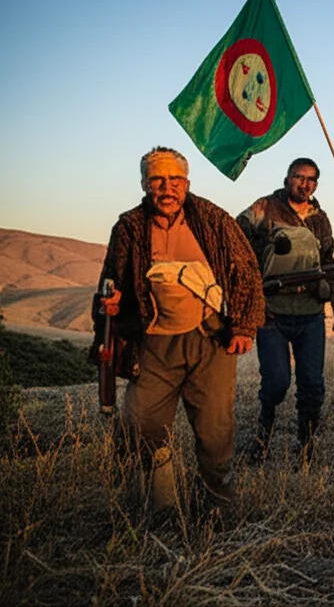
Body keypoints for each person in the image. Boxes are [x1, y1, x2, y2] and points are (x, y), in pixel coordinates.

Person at [91, 147, 264, 512]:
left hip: (210, 340)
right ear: (144, 184)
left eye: (175, 180)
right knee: (140, 422)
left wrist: (244, 327)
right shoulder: (129, 227)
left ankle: (217, 509)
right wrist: (112, 304)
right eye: (157, 179)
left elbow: (246, 271)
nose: (166, 188)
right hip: (154, 342)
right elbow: (111, 279)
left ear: (186, 183)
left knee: (215, 432)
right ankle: (163, 504)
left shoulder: (213, 219)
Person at [237, 157, 334, 463]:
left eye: (311, 179)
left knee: (312, 384)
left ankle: (306, 447)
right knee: (276, 382)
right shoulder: (264, 208)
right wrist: (253, 283)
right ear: (287, 179)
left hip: (310, 314)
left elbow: (328, 261)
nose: (304, 184)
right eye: (299, 177)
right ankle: (262, 437)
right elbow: (236, 238)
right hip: (272, 313)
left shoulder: (320, 218)